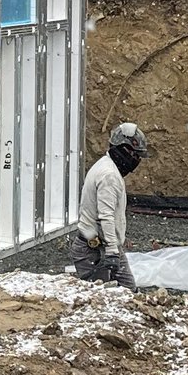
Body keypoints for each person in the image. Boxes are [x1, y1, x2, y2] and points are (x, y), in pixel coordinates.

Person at [71, 121, 147, 287]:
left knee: (127, 295)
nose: (136, 161)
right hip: (95, 250)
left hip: (100, 246)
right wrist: (112, 251)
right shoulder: (109, 176)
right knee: (107, 301)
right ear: (125, 150)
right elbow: (105, 216)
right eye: (136, 155)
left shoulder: (106, 166)